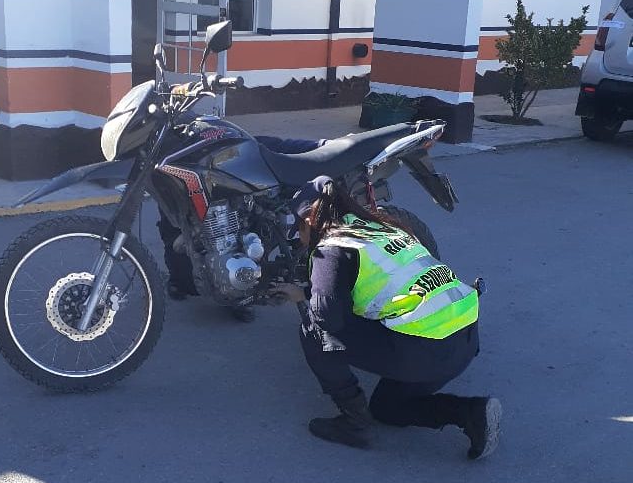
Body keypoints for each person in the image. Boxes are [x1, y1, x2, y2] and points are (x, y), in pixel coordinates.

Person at [270, 175, 501, 459]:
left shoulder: (331, 247)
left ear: (308, 220)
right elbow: (370, 286)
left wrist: (309, 300)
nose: (300, 240)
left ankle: (354, 422)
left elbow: (327, 317)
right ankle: (472, 414)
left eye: (299, 232)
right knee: (386, 408)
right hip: (463, 341)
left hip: (426, 352)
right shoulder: (383, 228)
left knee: (313, 330)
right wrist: (304, 292)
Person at [158, 135, 327, 322]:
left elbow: (268, 144)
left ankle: (244, 290)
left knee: (247, 215)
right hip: (172, 153)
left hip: (214, 154)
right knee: (176, 217)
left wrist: (319, 145)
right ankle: (181, 279)